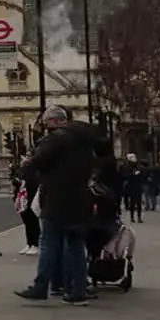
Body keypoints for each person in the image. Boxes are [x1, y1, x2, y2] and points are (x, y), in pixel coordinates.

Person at [14, 106, 96, 305]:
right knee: (75, 245)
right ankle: (78, 291)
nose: (45, 127)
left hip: (57, 197)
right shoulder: (84, 140)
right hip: (80, 197)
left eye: (46, 122)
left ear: (56, 121)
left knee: (48, 242)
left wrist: (28, 162)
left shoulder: (57, 138)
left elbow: (38, 161)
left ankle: (41, 285)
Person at [15, 151, 41, 255]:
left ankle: (35, 244)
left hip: (31, 197)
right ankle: (29, 243)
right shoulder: (24, 168)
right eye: (26, 156)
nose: (27, 158)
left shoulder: (35, 168)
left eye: (29, 156)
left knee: (33, 221)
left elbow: (34, 182)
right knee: (27, 221)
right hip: (24, 198)